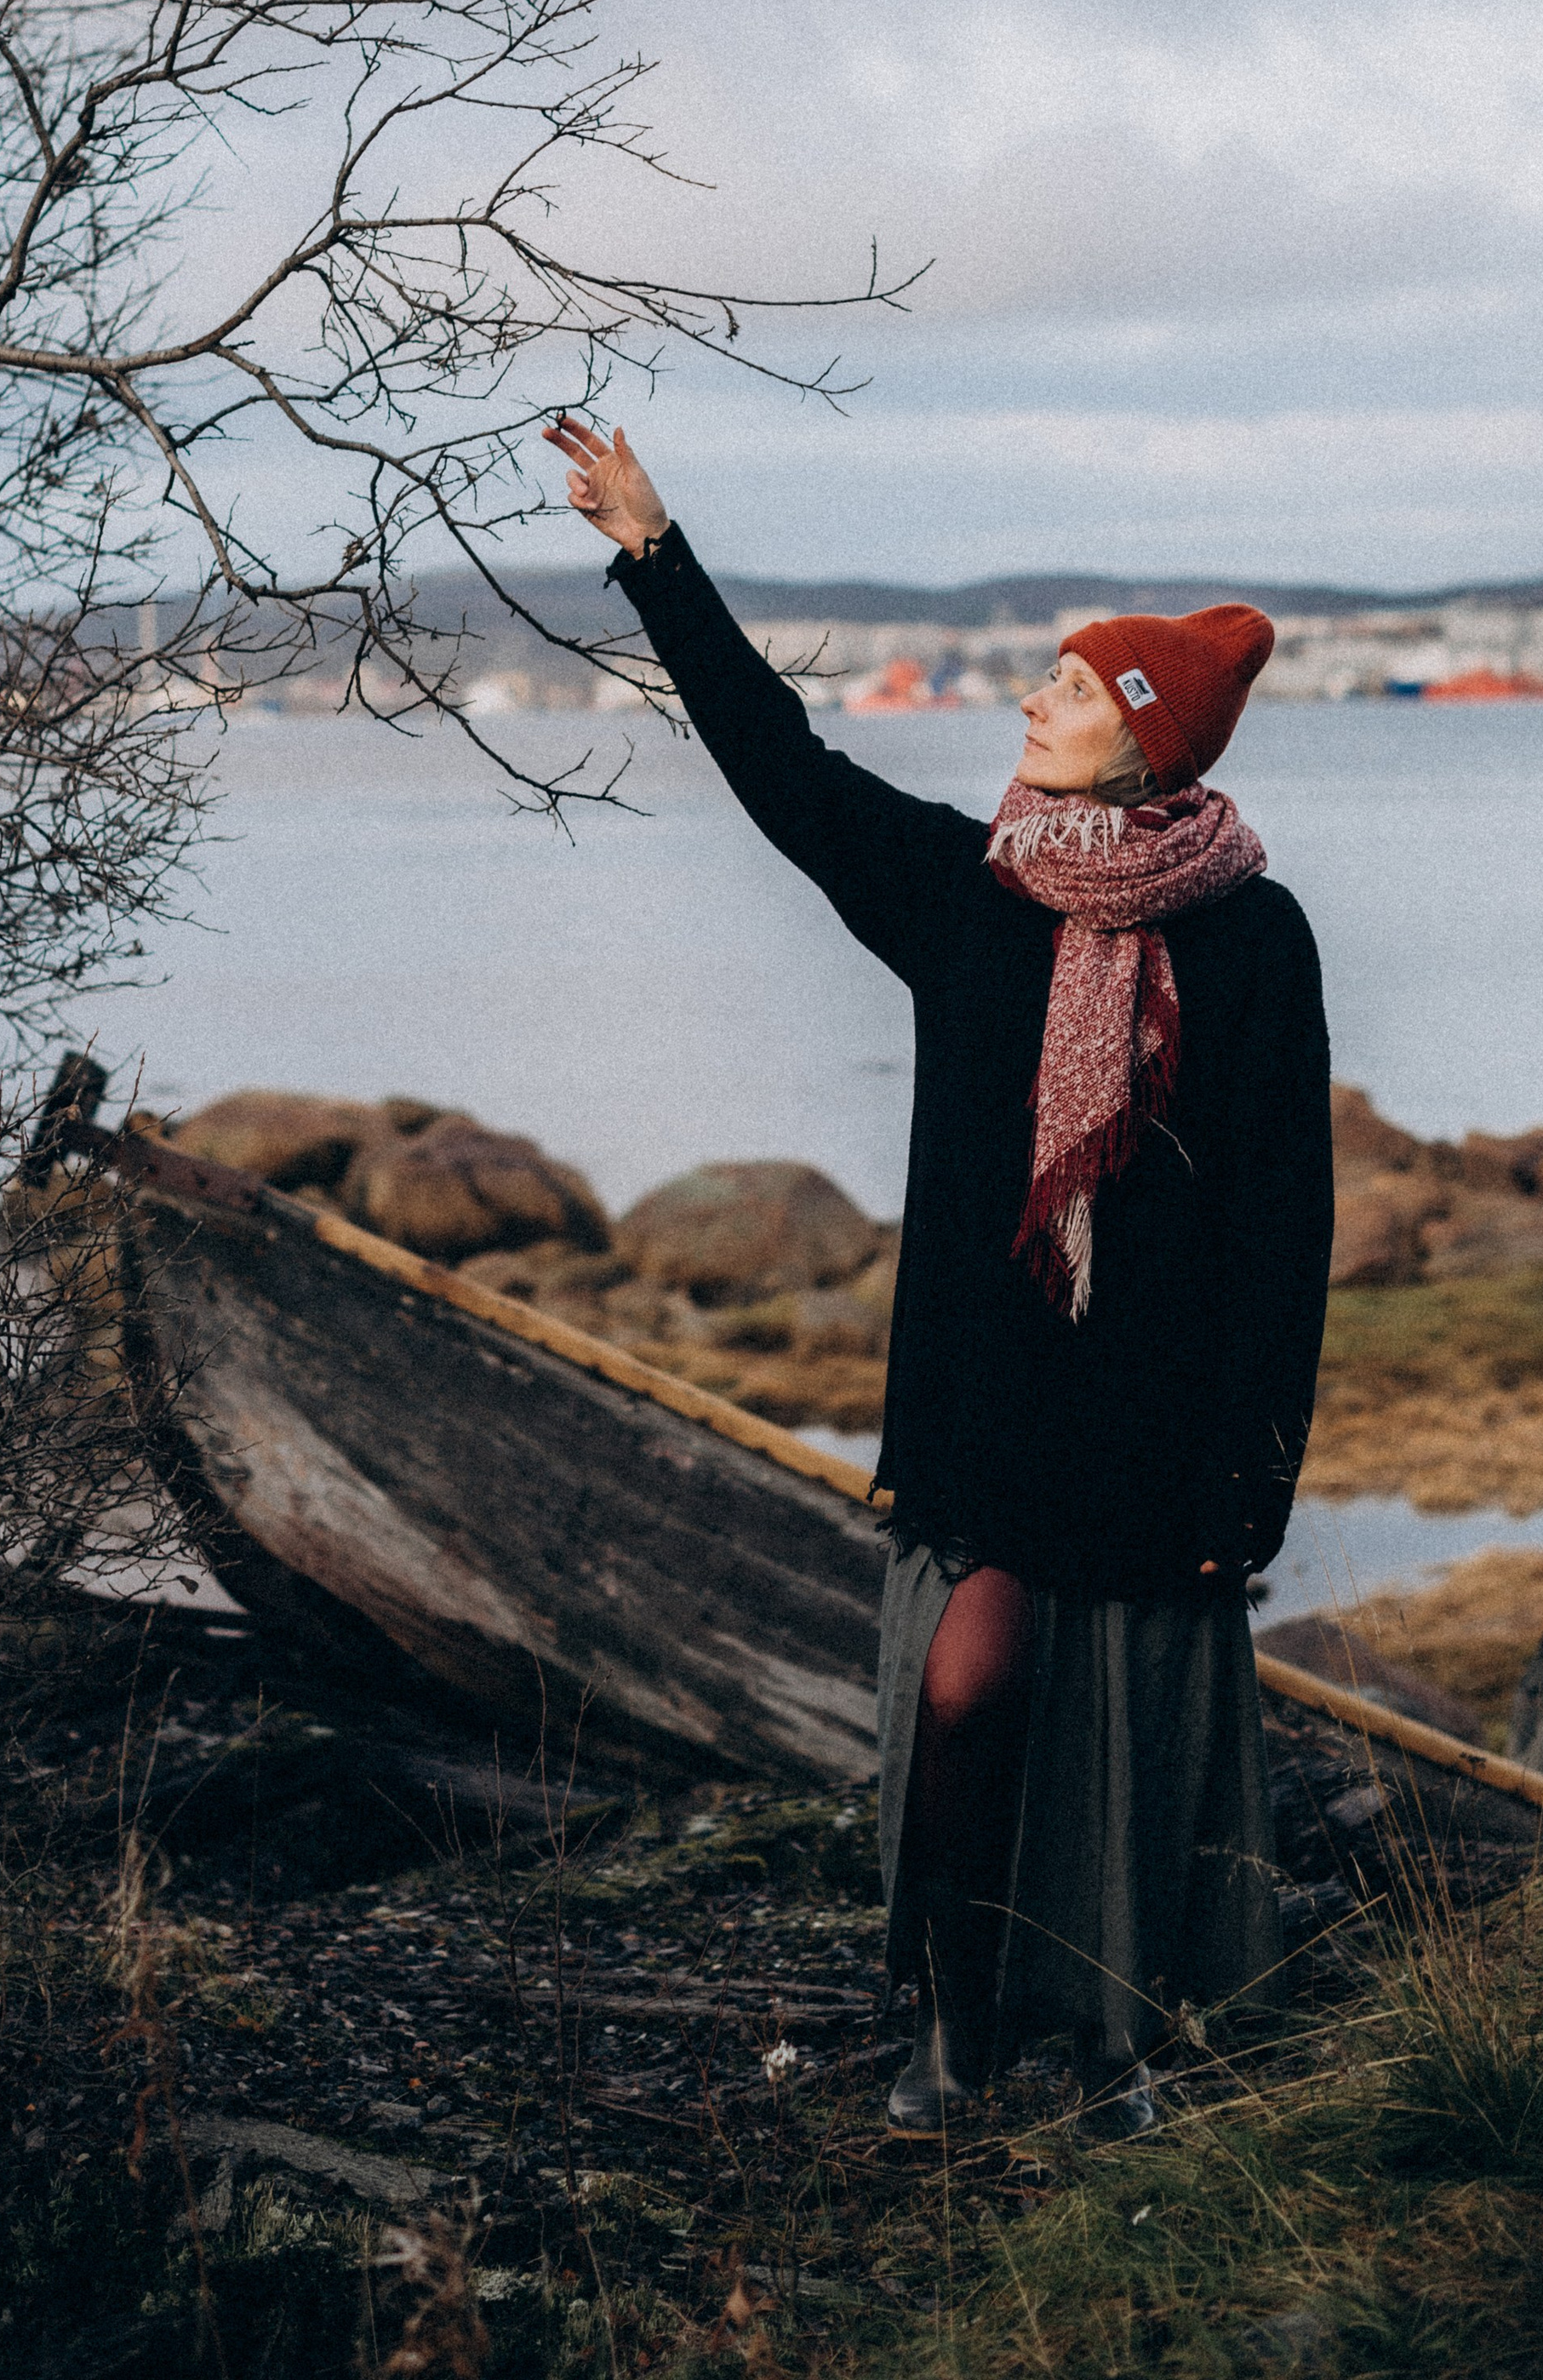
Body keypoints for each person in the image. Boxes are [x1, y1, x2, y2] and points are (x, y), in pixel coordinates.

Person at [545, 416, 1333, 2138]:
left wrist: (1251, 1473)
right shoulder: (970, 898)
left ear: (1141, 739)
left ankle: (1109, 2049)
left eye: (1066, 686)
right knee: (969, 1697)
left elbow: (1287, 1217)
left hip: (1148, 1425)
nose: (1031, 702)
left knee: (1119, 1756)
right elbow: (782, 767)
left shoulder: (1250, 940)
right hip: (984, 1410)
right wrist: (654, 553)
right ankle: (958, 2027)